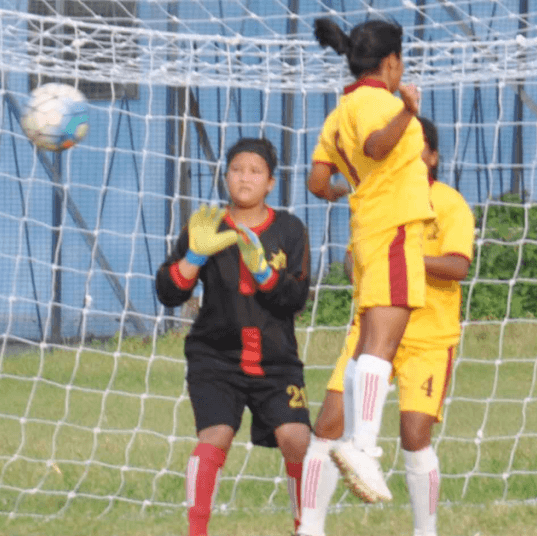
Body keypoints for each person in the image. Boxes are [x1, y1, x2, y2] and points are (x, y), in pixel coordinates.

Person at [298, 117, 474, 536]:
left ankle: (425, 531)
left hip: (428, 340)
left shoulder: (449, 202)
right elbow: (353, 260)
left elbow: (458, 266)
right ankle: (309, 529)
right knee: (328, 425)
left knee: (414, 434)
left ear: (432, 157)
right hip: (371, 329)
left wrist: (404, 259)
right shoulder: (376, 200)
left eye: (417, 145)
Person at [306, 17, 435, 504]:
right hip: (395, 228)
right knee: (383, 342)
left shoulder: (340, 111)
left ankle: (356, 440)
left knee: (365, 344)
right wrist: (408, 111)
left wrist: (347, 190)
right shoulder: (383, 102)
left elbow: (317, 181)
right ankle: (362, 445)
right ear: (391, 62)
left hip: (366, 233)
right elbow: (376, 146)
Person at [155, 138, 312, 536]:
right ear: (225, 177)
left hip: (276, 361)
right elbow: (169, 293)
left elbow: (295, 299)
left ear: (271, 183)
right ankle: (196, 532)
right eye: (237, 170)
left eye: (255, 171)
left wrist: (264, 273)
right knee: (216, 435)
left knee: (297, 438)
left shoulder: (290, 229)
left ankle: (306, 527)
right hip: (215, 357)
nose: (245, 178)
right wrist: (193, 257)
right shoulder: (205, 223)